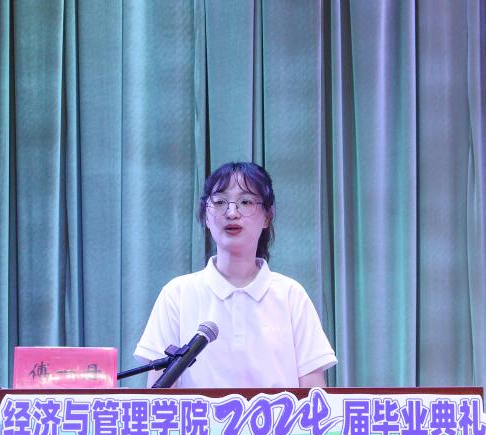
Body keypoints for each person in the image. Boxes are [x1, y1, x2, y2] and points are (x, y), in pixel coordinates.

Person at [134, 161, 337, 388]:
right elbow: (157, 396)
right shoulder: (177, 294)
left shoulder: (291, 295)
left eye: (246, 202)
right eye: (220, 202)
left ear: (267, 217)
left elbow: (314, 395)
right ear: (206, 216)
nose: (232, 213)